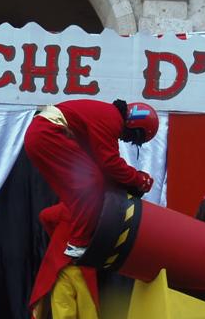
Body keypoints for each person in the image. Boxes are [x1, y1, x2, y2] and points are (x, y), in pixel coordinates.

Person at [23, 99, 158, 259]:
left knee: (81, 189)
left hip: (39, 135)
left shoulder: (106, 114)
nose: (126, 140)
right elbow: (110, 163)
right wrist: (139, 180)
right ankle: (78, 243)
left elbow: (103, 163)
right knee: (90, 182)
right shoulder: (112, 119)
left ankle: (55, 223)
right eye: (133, 138)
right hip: (48, 133)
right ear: (134, 126)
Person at [30, 202, 112, 319]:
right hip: (62, 270)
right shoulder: (66, 207)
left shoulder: (97, 211)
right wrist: (57, 240)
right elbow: (45, 216)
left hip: (85, 271)